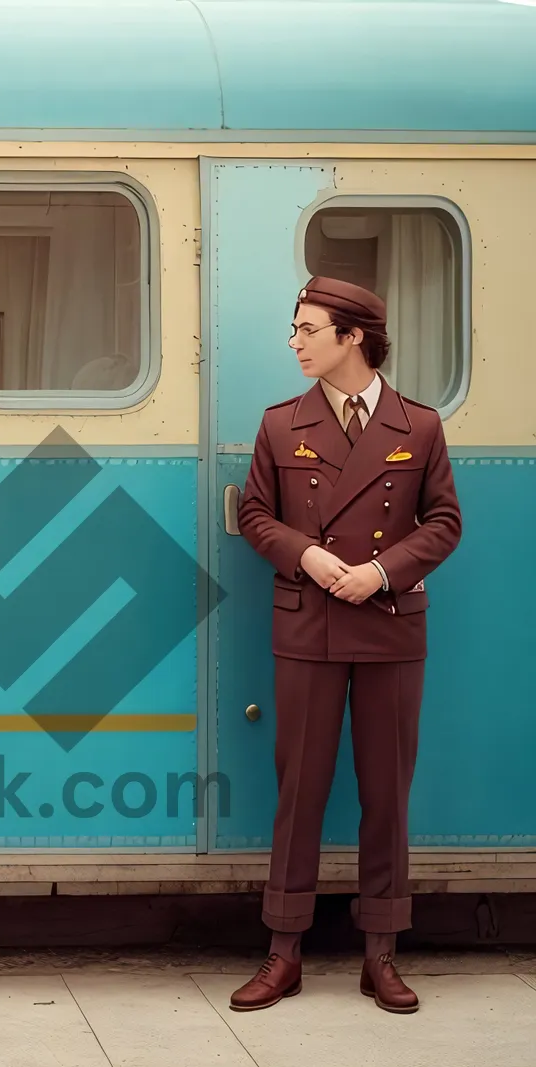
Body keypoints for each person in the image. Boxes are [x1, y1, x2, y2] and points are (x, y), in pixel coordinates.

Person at [232, 277, 461, 1015]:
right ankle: (283, 952)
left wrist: (379, 571)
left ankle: (381, 955)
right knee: (299, 791)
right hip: (307, 624)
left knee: (386, 793)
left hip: (390, 623)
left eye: (307, 329)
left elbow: (444, 522)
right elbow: (256, 515)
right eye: (293, 329)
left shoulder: (418, 426)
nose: (294, 342)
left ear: (352, 336)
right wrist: (308, 555)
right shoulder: (279, 424)